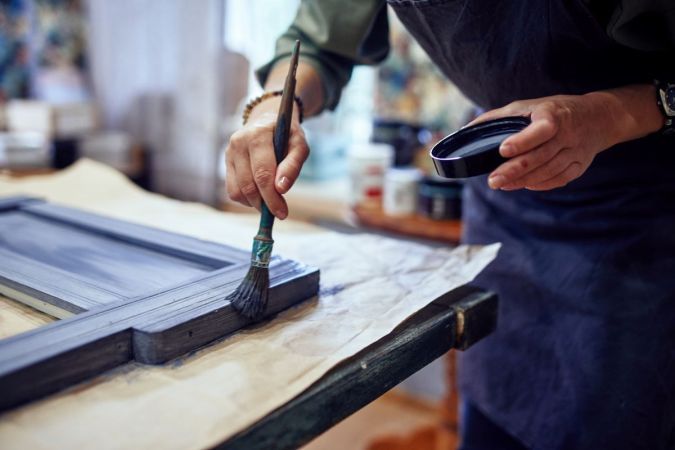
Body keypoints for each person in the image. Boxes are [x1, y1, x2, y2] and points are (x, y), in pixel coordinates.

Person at [225, 1, 675, 449]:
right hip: (504, 193)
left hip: (639, 213)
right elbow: (321, 40)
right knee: (491, 411)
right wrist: (271, 109)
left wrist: (612, 113)